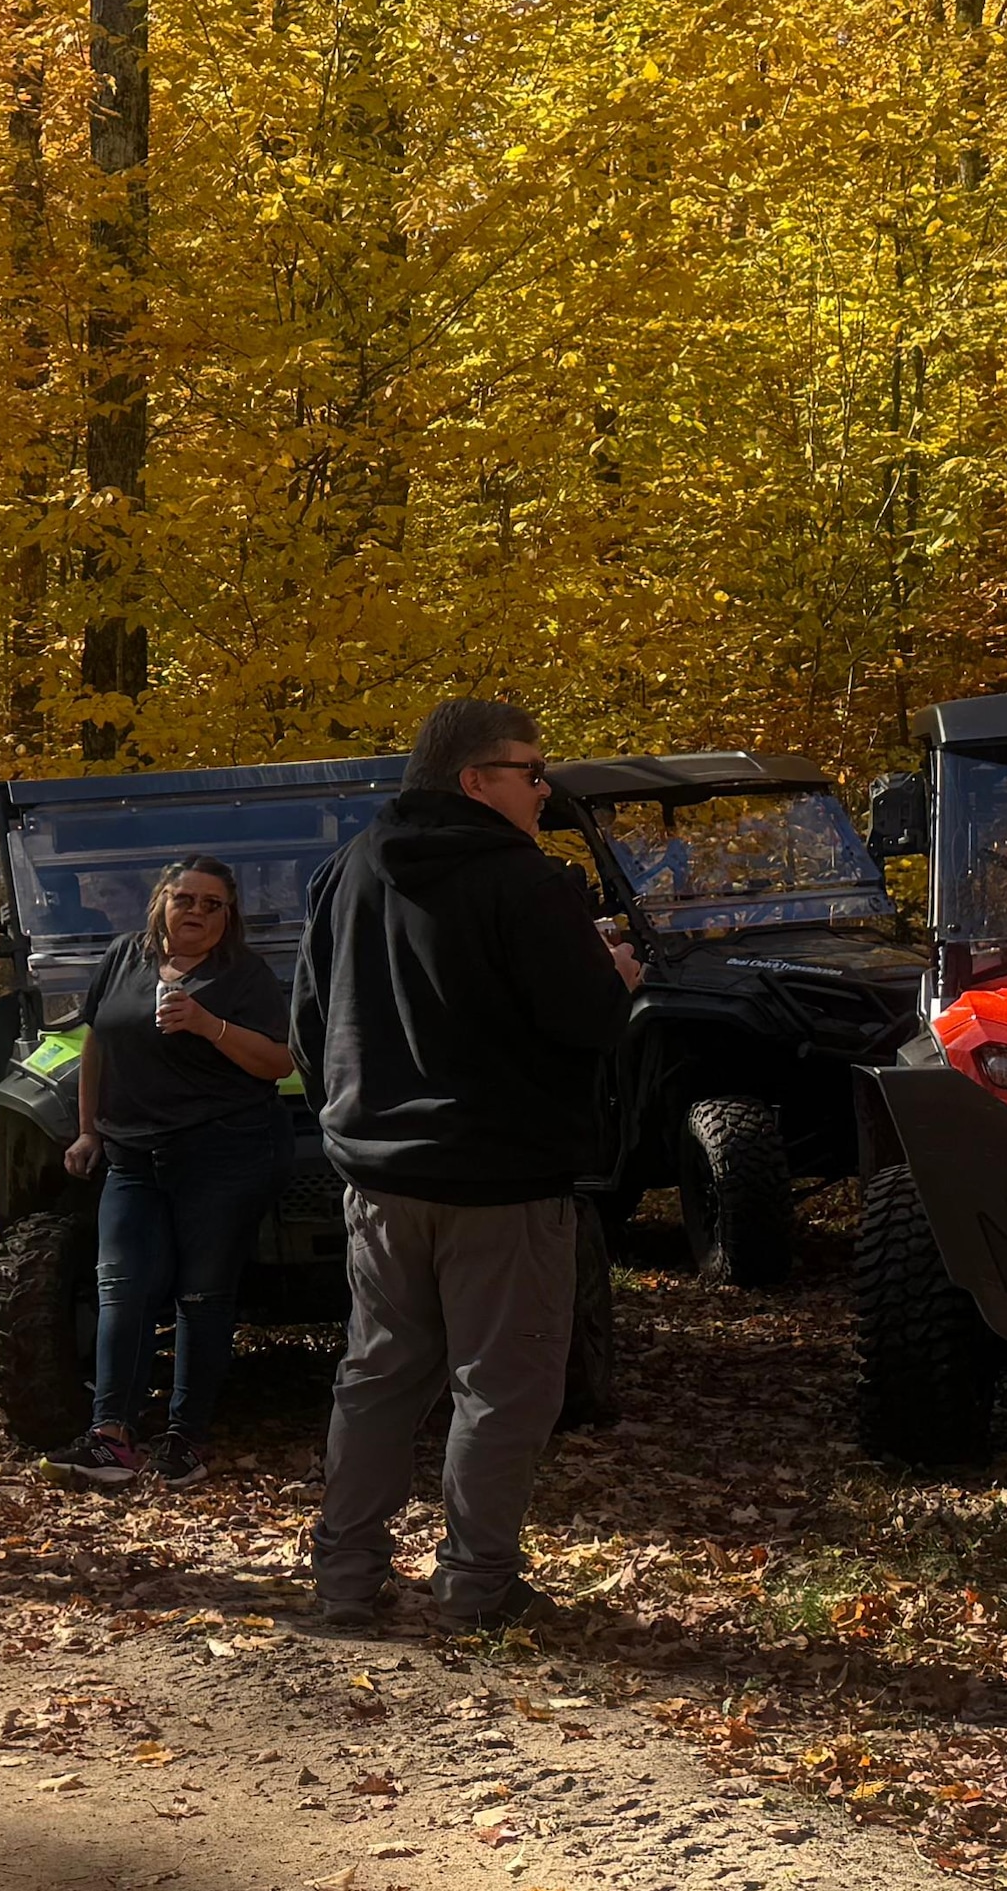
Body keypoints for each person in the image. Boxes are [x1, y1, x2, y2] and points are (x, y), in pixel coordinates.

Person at [298, 696, 631, 1633]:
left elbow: (309, 1027)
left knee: (377, 1379)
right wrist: (619, 981)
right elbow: (587, 1022)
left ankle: (346, 1581)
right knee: (504, 1389)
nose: (545, 791)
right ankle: (476, 1586)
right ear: (475, 780)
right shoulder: (526, 883)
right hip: (504, 1181)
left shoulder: (345, 871)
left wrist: (351, 1125)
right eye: (533, 773)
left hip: (382, 1179)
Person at [54, 856, 301, 1486]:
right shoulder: (123, 957)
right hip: (132, 1154)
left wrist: (207, 1024)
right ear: (161, 902)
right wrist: (88, 1130)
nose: (194, 911)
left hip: (225, 1153)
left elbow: (276, 1063)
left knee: (202, 1295)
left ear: (229, 916)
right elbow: (97, 1045)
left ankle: (185, 1442)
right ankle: (111, 1436)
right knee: (123, 1287)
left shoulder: (244, 975)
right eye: (184, 898)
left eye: (211, 904)